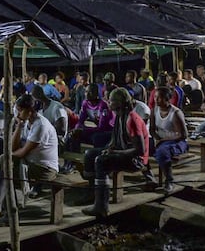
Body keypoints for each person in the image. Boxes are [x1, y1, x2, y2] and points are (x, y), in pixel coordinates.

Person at [0, 95, 59, 225]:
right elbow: (13, 147)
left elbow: (22, 152)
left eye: (20, 110)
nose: (17, 113)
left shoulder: (41, 125)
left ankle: (4, 212)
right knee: (6, 163)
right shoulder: (28, 123)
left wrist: (9, 156)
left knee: (7, 164)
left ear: (30, 110)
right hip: (30, 163)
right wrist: (19, 126)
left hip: (45, 169)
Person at [81, 88, 150, 218]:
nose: (108, 102)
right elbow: (115, 140)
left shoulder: (132, 119)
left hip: (135, 160)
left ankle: (102, 206)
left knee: (101, 161)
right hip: (122, 152)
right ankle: (93, 193)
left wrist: (114, 152)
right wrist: (110, 148)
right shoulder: (119, 115)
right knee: (90, 154)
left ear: (119, 102)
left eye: (111, 100)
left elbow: (139, 150)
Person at [150, 87, 188, 193]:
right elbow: (152, 129)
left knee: (162, 152)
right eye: (155, 97)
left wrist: (163, 140)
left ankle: (169, 181)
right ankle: (149, 177)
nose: (156, 100)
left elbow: (183, 134)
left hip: (177, 141)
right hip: (161, 140)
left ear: (167, 99)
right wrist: (157, 139)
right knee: (142, 147)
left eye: (159, 98)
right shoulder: (154, 110)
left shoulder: (175, 113)